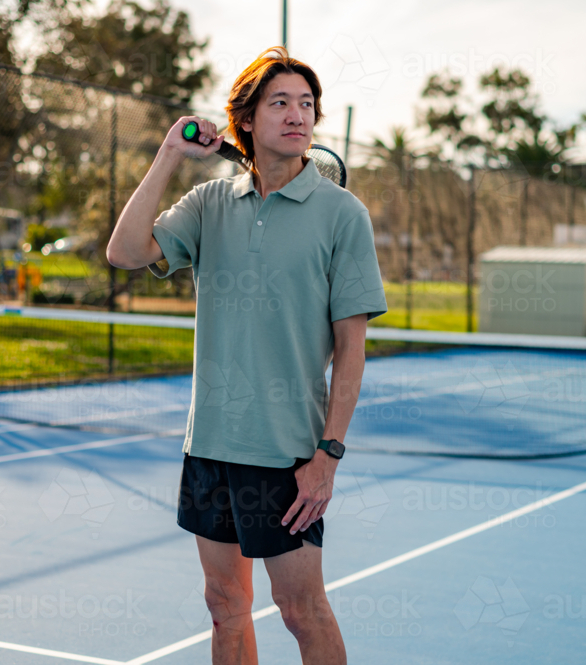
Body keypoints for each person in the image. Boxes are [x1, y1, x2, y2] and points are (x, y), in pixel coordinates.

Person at [106, 46, 387, 665]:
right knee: (224, 606)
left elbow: (352, 347)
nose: (298, 115)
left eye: (307, 105)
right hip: (208, 446)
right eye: (280, 103)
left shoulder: (343, 215)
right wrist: (169, 154)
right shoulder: (208, 205)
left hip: (286, 456)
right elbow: (124, 251)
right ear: (248, 121)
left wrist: (328, 455)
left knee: (300, 611)